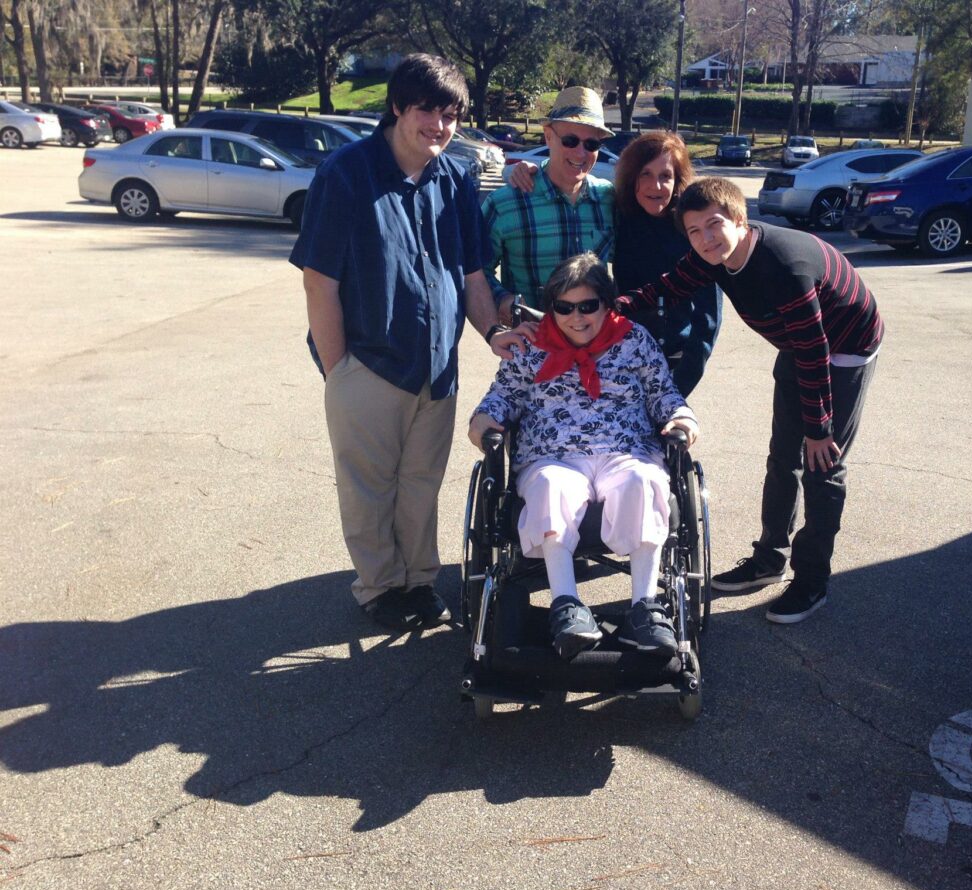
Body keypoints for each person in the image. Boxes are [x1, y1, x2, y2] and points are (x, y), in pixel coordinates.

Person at [290, 54, 529, 633]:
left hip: (436, 367)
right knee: (369, 486)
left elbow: (472, 275)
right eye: (427, 111)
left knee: (422, 482)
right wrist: (338, 366)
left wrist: (492, 331)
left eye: (450, 115)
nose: (440, 126)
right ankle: (378, 586)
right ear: (398, 106)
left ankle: (418, 582)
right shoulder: (347, 173)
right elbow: (319, 280)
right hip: (368, 363)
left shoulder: (454, 177)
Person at [618, 177, 882, 625]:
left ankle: (812, 580)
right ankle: (770, 559)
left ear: (740, 220)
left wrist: (819, 430)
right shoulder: (715, 256)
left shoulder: (783, 268)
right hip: (800, 345)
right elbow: (669, 285)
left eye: (714, 225)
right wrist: (611, 307)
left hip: (843, 348)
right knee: (783, 455)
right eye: (694, 231)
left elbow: (816, 353)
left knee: (822, 464)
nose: (704, 239)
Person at [468, 254, 699, 659]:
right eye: (564, 307)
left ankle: (645, 609)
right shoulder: (529, 346)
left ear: (607, 305)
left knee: (644, 481)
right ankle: (566, 606)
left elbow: (664, 392)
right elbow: (501, 397)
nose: (577, 317)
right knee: (552, 486)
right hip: (551, 456)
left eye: (588, 306)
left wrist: (681, 417)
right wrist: (484, 421)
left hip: (626, 451)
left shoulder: (634, 340)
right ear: (552, 308)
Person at [512, 131, 722, 398]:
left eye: (665, 176)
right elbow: (570, 182)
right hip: (618, 355)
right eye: (644, 174)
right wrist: (529, 169)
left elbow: (708, 322)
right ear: (631, 177)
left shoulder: (692, 228)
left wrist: (678, 388)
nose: (655, 186)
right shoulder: (620, 213)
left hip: (672, 360)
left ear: (677, 179)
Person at [481, 87, 616, 323]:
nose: (581, 152)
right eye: (570, 140)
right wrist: (502, 299)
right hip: (533, 347)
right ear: (548, 136)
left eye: (591, 144)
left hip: (597, 350)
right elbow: (476, 269)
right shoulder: (505, 204)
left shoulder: (608, 198)